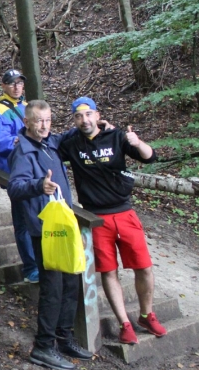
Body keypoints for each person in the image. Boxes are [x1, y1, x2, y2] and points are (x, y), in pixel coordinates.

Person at [58, 97, 167, 345]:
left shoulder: (117, 137)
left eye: (89, 114)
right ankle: (124, 323)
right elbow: (48, 146)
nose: (84, 120)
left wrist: (137, 142)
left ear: (97, 115)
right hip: (95, 218)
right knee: (108, 271)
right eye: (79, 116)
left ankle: (146, 315)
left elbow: (150, 157)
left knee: (144, 267)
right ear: (74, 120)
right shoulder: (71, 144)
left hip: (125, 213)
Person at [7, 100, 94, 370]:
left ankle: (63, 337)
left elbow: (68, 134)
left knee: (70, 282)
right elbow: (15, 188)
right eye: (38, 121)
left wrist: (95, 125)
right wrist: (38, 185)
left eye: (48, 120)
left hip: (63, 226)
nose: (44, 125)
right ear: (27, 122)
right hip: (44, 230)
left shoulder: (50, 144)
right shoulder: (24, 151)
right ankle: (43, 347)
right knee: (53, 289)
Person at [0, 69, 37, 283]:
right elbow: (1, 144)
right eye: (12, 83)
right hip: (14, 172)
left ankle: (40, 262)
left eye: (19, 83)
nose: (16, 87)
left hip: (32, 169)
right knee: (23, 220)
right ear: (4, 86)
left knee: (36, 216)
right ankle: (31, 268)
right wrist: (22, 140)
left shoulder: (26, 107)